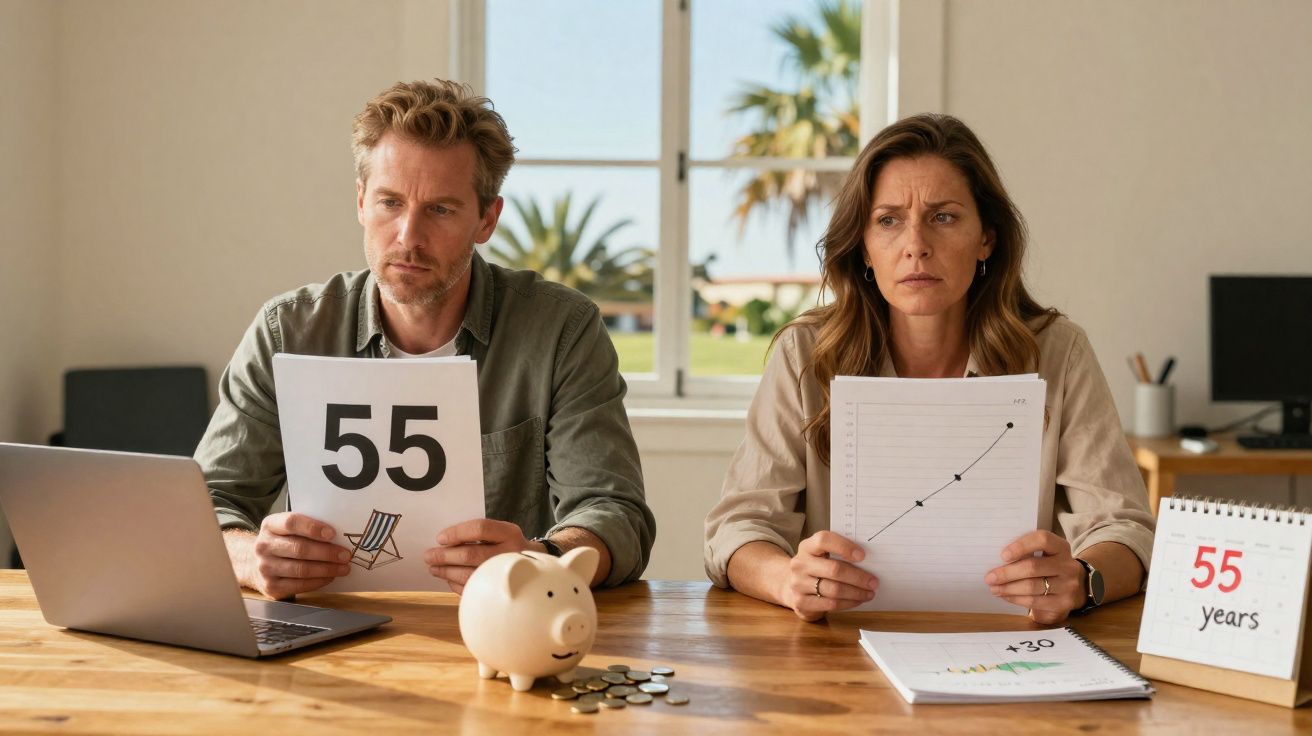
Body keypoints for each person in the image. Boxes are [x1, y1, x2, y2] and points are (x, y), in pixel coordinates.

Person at [198, 80, 655, 599]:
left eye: (440, 210)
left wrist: (539, 558)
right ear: (360, 202)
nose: (408, 236)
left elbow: (617, 514)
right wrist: (249, 558)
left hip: (500, 627)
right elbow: (207, 501)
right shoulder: (288, 330)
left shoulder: (561, 332)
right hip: (322, 631)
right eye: (390, 202)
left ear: (487, 219)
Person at [704, 114, 1153, 624]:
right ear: (865, 248)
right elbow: (737, 529)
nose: (915, 243)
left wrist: (1082, 579)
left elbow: (1126, 530)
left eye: (943, 217)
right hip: (842, 647)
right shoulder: (804, 354)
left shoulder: (1057, 352)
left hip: (1011, 644)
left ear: (986, 238)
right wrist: (786, 579)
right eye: (889, 220)